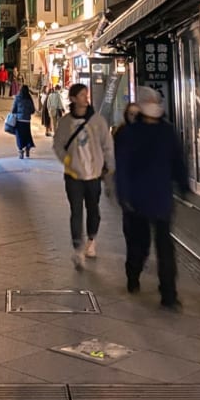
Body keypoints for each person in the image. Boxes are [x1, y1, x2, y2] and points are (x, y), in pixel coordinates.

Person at [114, 85, 189, 309]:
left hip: (138, 198)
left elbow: (123, 167)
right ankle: (168, 293)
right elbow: (178, 162)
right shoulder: (167, 132)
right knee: (162, 245)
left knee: (141, 243)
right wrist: (183, 186)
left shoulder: (130, 133)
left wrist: (123, 194)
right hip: (159, 197)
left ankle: (135, 277)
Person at [53, 83, 115, 270]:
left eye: (86, 94)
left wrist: (110, 168)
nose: (85, 98)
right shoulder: (65, 122)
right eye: (81, 95)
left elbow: (107, 145)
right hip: (73, 175)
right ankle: (78, 248)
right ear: (72, 99)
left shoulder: (97, 121)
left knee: (93, 209)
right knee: (76, 211)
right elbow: (58, 145)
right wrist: (68, 161)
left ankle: (91, 239)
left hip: (94, 174)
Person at [11, 84, 35, 158]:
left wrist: (16, 112)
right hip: (27, 120)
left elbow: (13, 109)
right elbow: (33, 110)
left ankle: (21, 150)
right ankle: (27, 147)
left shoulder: (17, 98)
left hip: (19, 120)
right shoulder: (29, 98)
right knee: (27, 134)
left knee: (19, 136)